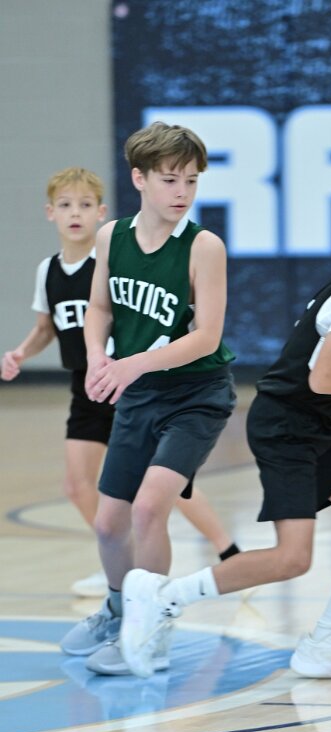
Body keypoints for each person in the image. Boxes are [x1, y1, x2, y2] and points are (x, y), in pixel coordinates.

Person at [116, 185, 331, 680]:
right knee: (293, 558)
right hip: (287, 426)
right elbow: (323, 378)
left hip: (311, 423)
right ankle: (164, 597)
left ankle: (327, 641)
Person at [1, 166, 240, 599]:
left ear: (101, 211)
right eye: (66, 205)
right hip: (87, 383)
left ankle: (228, 552)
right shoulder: (48, 270)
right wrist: (20, 353)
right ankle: (115, 562)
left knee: (160, 488)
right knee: (79, 485)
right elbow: (47, 327)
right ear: (50, 212)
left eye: (85, 205)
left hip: (130, 380)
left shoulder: (116, 252)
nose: (75, 214)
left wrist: (123, 364)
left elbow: (193, 330)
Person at [58, 123, 237, 675]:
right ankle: (117, 612)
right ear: (139, 179)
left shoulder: (204, 247)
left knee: (150, 506)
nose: (182, 192)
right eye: (170, 180)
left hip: (196, 395)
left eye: (191, 180)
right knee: (108, 524)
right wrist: (97, 356)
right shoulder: (111, 237)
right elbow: (100, 308)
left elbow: (207, 337)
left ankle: (151, 631)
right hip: (140, 396)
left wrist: (129, 364)